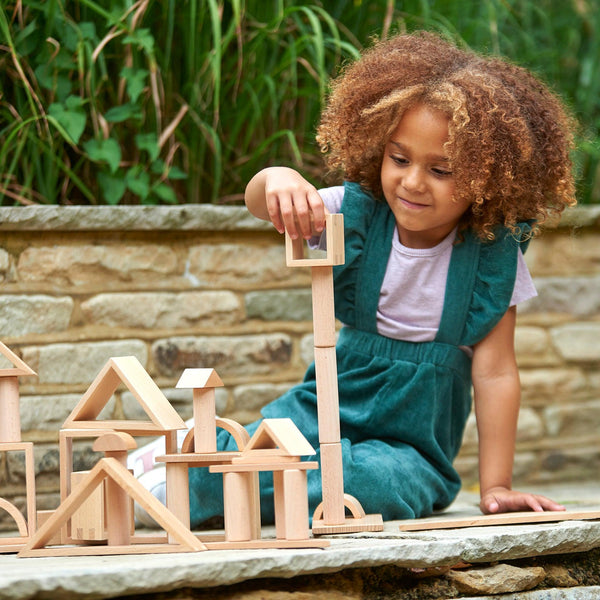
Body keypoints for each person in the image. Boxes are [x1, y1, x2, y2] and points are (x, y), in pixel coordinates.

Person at [185, 31, 576, 527]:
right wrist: (278, 176)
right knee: (229, 456)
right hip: (317, 411)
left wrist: (495, 485)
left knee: (370, 486)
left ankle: (254, 484)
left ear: (487, 180)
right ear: (380, 150)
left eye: (441, 169)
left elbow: (496, 372)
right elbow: (262, 202)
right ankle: (193, 474)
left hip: (408, 451)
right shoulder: (358, 216)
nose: (413, 182)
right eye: (400, 159)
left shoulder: (490, 259)